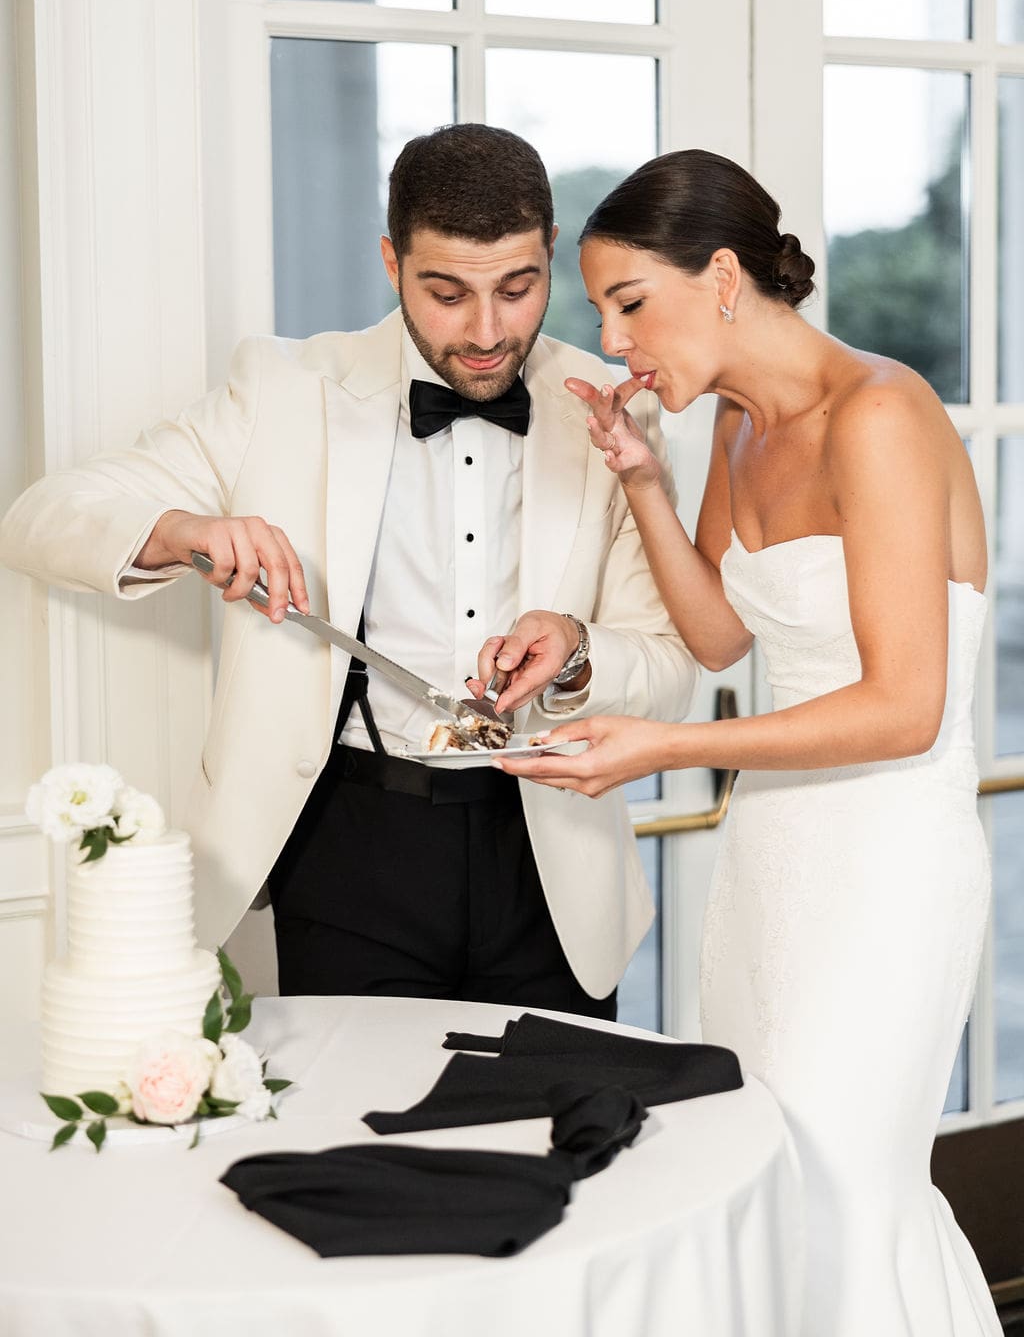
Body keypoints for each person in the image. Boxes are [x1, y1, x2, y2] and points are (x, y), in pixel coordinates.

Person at [0, 123, 698, 1019]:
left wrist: (576, 651)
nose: (487, 332)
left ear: (551, 255)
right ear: (390, 260)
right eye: (446, 293)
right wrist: (180, 530)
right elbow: (39, 517)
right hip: (352, 846)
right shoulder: (286, 391)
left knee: (551, 1145)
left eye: (518, 289)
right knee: (352, 1142)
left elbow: (673, 670)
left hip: (553, 861)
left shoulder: (614, 419)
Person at [497, 150, 1001, 1332]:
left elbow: (903, 709)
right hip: (773, 863)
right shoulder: (731, 423)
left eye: (628, 305)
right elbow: (723, 636)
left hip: (886, 867)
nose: (614, 344)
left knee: (843, 1186)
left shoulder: (881, 413)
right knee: (766, 1176)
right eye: (601, 314)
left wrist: (660, 749)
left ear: (721, 275)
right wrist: (642, 486)